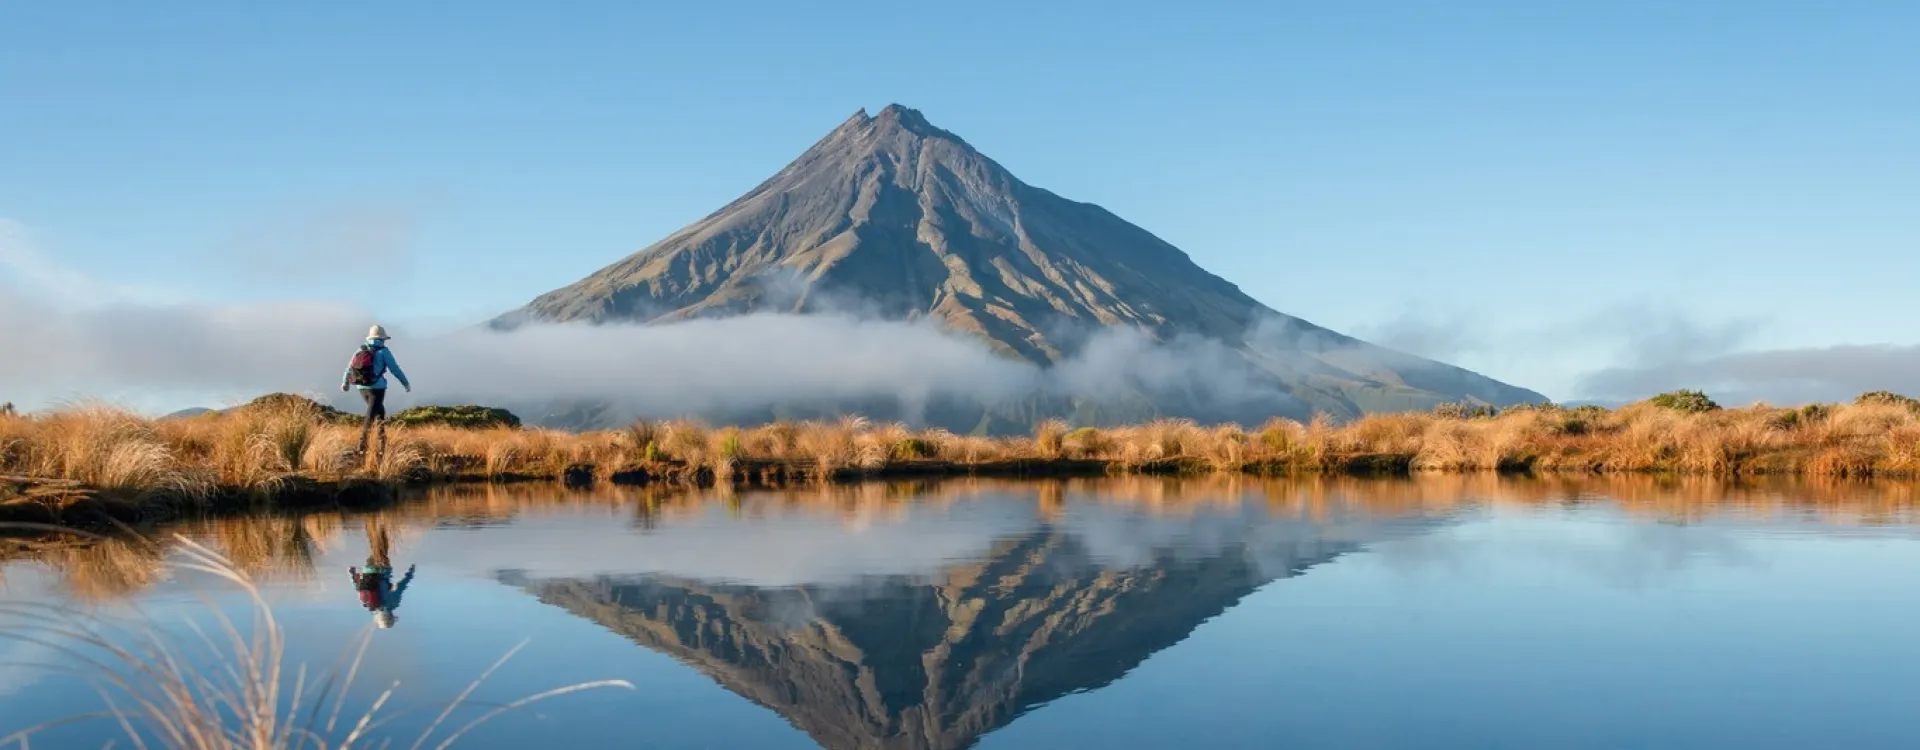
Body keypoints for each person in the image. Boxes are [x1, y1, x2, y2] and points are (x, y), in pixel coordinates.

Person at [341, 324, 411, 461]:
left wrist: (345, 383)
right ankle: (362, 445)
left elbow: (349, 368)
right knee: (371, 415)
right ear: (382, 339)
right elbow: (395, 369)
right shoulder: (384, 351)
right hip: (377, 388)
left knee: (379, 412)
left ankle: (382, 443)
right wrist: (405, 383)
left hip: (361, 387)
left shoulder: (360, 349)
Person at [348, 518, 415, 629]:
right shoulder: (368, 605)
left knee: (382, 546)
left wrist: (410, 574)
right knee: (376, 547)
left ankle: (378, 523)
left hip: (382, 569)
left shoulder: (392, 604)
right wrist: (352, 573)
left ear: (390, 616)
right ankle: (372, 524)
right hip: (367, 569)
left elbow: (400, 587)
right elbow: (358, 587)